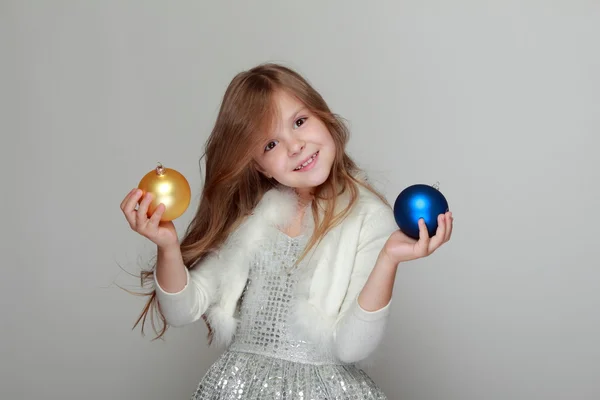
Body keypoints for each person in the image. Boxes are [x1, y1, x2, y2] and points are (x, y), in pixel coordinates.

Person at [119, 63, 453, 399]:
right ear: (256, 166)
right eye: (270, 145)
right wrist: (167, 246)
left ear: (323, 115)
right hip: (239, 389)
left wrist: (388, 260)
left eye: (299, 121)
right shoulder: (253, 218)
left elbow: (351, 348)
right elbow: (182, 310)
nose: (294, 146)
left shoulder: (367, 217)